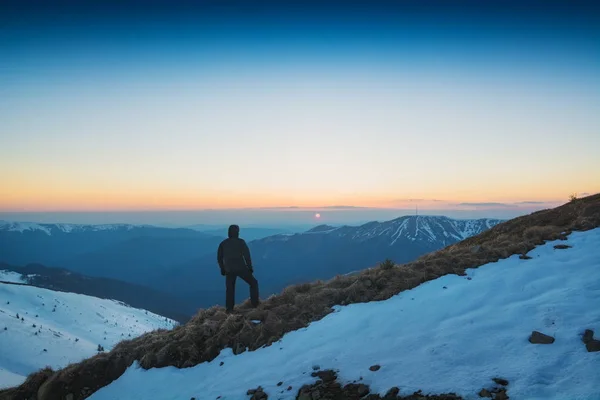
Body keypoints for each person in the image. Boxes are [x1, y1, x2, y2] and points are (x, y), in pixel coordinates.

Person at [217, 224, 259, 313]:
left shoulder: (223, 243)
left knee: (230, 289)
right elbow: (247, 256)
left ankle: (229, 309)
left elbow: (219, 257)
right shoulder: (241, 242)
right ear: (237, 232)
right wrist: (250, 267)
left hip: (229, 270)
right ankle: (255, 304)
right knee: (253, 283)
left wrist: (222, 269)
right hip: (241, 268)